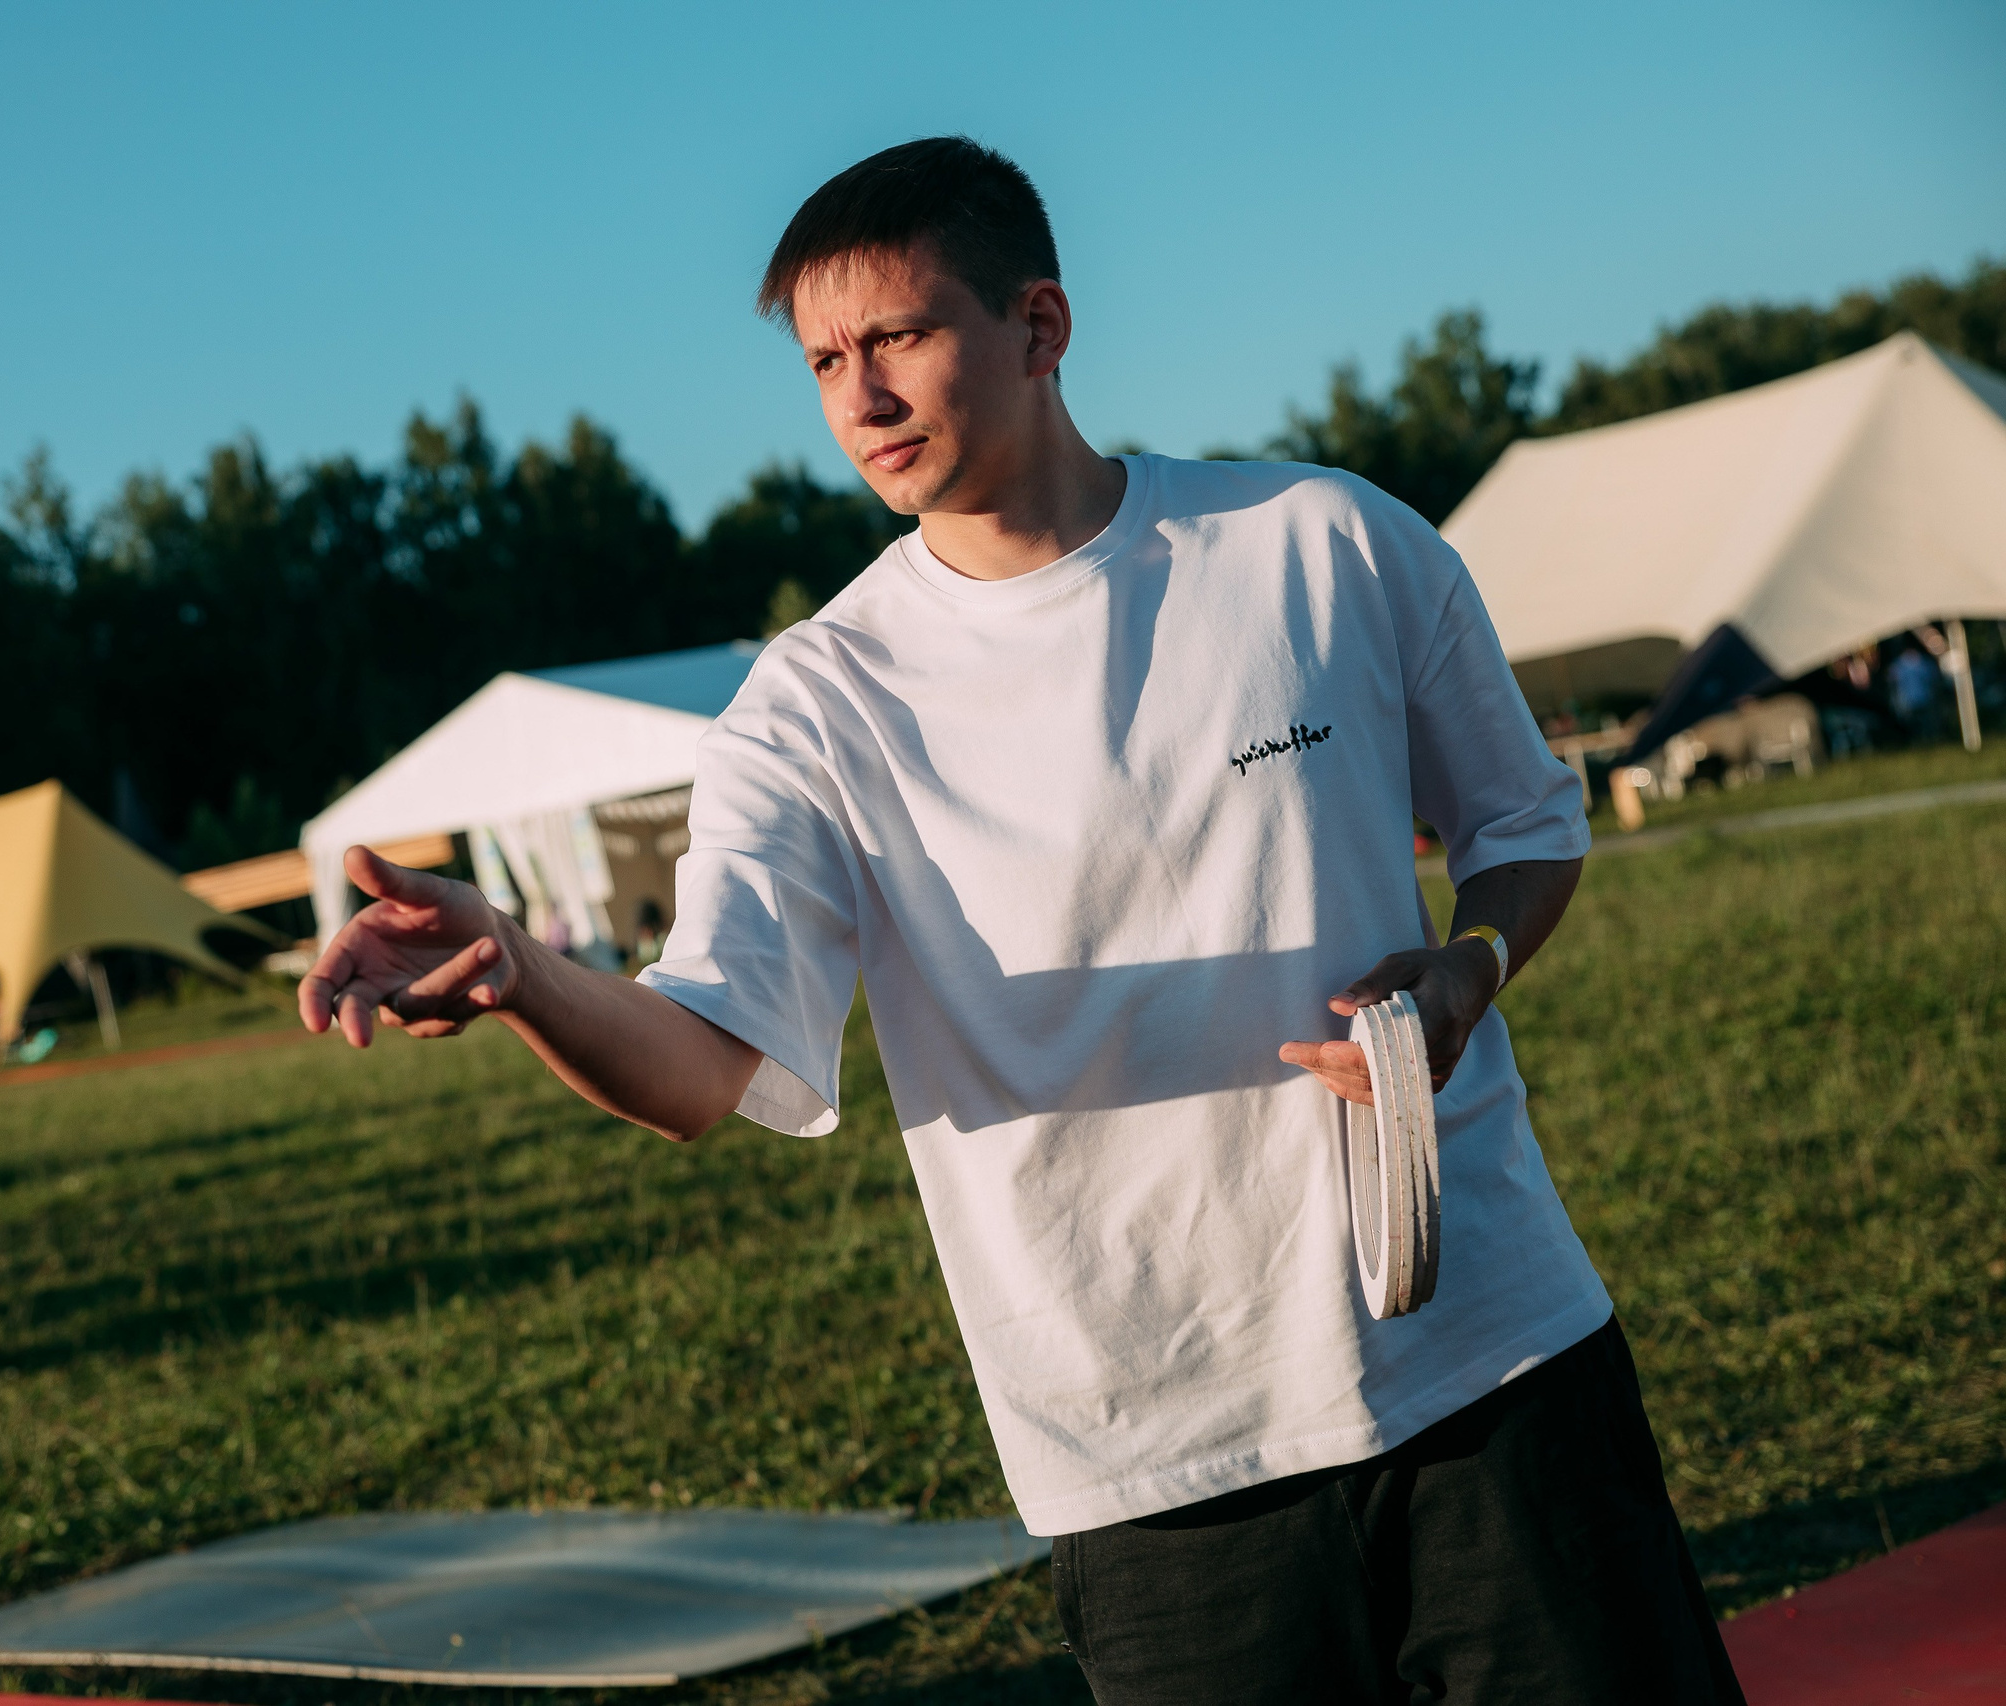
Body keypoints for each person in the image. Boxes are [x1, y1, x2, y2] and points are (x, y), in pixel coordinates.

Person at [299, 138, 1741, 1702]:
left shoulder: (1318, 542)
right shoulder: (815, 707)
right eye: (825, 360)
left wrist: (1469, 966)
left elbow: (1527, 824)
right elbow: (704, 1061)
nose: (859, 397)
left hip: (1495, 1364)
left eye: (900, 337)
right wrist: (520, 972)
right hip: (1154, 1453)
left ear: (1039, 327)